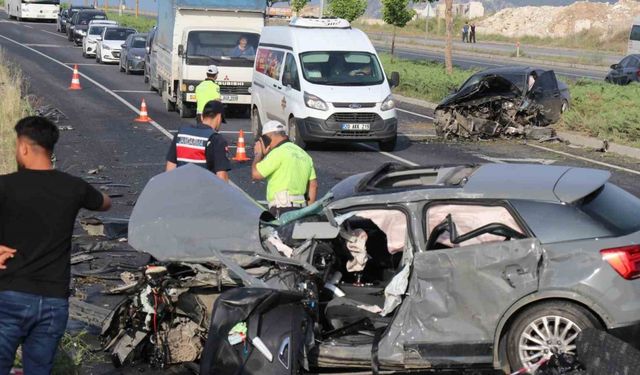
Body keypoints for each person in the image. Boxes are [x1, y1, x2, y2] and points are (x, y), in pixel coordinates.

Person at [0, 116, 111, 375]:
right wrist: (87, 194)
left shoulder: (5, 186)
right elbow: (104, 202)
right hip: (53, 302)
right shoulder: (73, 187)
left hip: (10, 296)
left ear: (24, 148)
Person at [251, 121, 318, 218]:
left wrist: (258, 154)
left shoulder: (277, 152)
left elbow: (255, 174)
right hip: (301, 210)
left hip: (281, 209)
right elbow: (313, 186)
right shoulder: (304, 154)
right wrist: (308, 212)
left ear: (269, 136)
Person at [166, 100, 231, 182]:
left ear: (201, 117)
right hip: (203, 191)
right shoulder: (216, 139)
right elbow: (221, 177)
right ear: (218, 117)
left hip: (180, 189)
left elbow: (170, 168)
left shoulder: (181, 133)